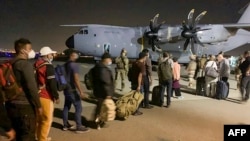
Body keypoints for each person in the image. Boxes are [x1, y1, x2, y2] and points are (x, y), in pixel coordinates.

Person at [5, 38, 42, 141]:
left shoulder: (10, 63)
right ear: (22, 50)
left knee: (17, 136)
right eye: (30, 49)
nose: (32, 51)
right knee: (27, 135)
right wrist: (38, 106)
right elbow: (32, 87)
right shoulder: (25, 65)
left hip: (10, 105)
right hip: (24, 107)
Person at [34, 46, 60, 141]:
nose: (52, 55)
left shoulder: (36, 64)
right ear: (47, 55)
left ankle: (36, 136)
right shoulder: (48, 66)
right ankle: (42, 139)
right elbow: (52, 83)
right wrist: (56, 96)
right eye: (51, 54)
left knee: (38, 119)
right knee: (46, 120)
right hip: (45, 96)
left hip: (36, 95)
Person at [62, 50, 90, 133]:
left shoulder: (64, 65)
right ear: (72, 55)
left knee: (66, 106)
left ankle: (65, 125)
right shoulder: (74, 65)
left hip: (66, 89)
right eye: (76, 54)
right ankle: (79, 126)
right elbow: (76, 79)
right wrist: (81, 91)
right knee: (78, 107)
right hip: (72, 90)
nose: (77, 55)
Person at [92, 53, 115, 129]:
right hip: (103, 93)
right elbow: (106, 82)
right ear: (106, 59)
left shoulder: (98, 67)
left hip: (98, 91)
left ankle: (98, 121)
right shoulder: (102, 69)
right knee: (102, 109)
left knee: (100, 107)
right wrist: (108, 93)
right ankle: (98, 123)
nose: (110, 60)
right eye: (109, 59)